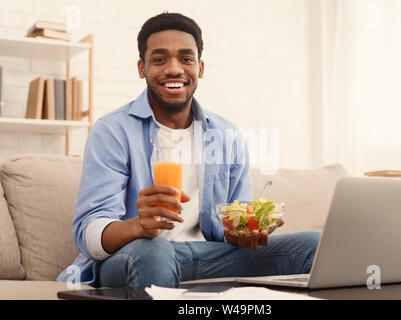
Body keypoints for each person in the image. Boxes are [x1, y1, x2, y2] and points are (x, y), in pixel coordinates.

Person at [57, 12, 321, 288]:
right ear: (141, 68)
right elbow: (89, 233)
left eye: (186, 59)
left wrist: (245, 232)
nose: (174, 69)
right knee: (154, 251)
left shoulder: (227, 136)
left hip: (211, 257)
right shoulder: (112, 131)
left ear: (200, 68)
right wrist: (136, 226)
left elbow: (230, 228)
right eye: (159, 60)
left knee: (313, 246)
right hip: (136, 256)